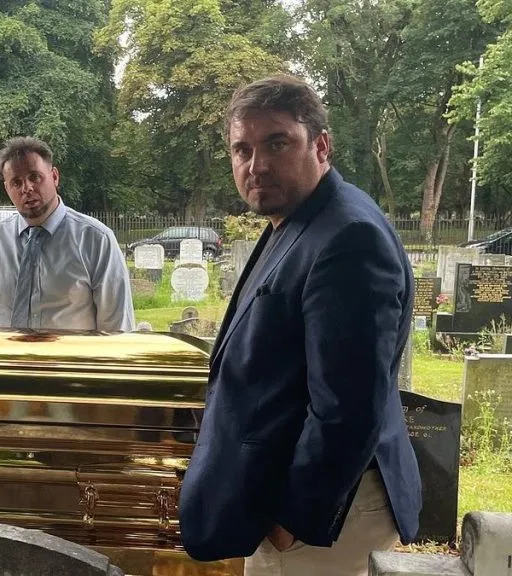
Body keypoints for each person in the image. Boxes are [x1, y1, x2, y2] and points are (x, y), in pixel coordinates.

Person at [178, 75, 422, 576]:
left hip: (326, 523)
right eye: (241, 149)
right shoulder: (300, 219)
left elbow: (347, 406)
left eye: (277, 143)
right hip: (296, 504)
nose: (257, 165)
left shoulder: (348, 239)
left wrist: (293, 518)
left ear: (322, 145)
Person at [0, 136, 135, 332]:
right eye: (16, 182)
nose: (27, 188)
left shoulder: (96, 240)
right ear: (7, 188)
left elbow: (116, 329)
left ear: (54, 176)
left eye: (35, 177)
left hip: (69, 362)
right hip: (7, 360)